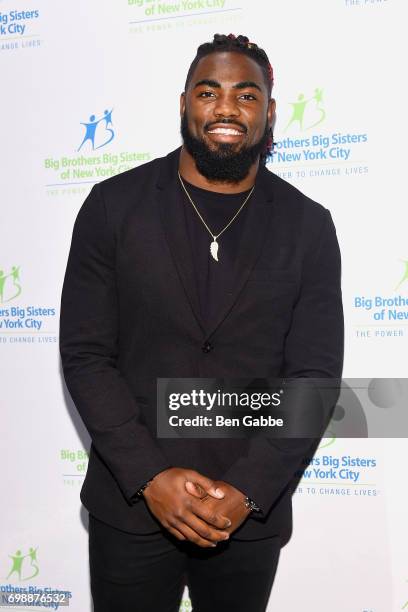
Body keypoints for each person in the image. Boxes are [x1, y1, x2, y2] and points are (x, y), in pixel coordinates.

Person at [60, 33, 344, 612]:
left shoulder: (308, 226)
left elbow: (313, 377)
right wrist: (149, 477)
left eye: (246, 94)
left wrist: (250, 489)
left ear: (269, 111)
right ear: (185, 103)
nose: (226, 107)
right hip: (132, 508)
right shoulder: (113, 207)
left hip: (247, 516)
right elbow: (87, 355)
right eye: (208, 91)